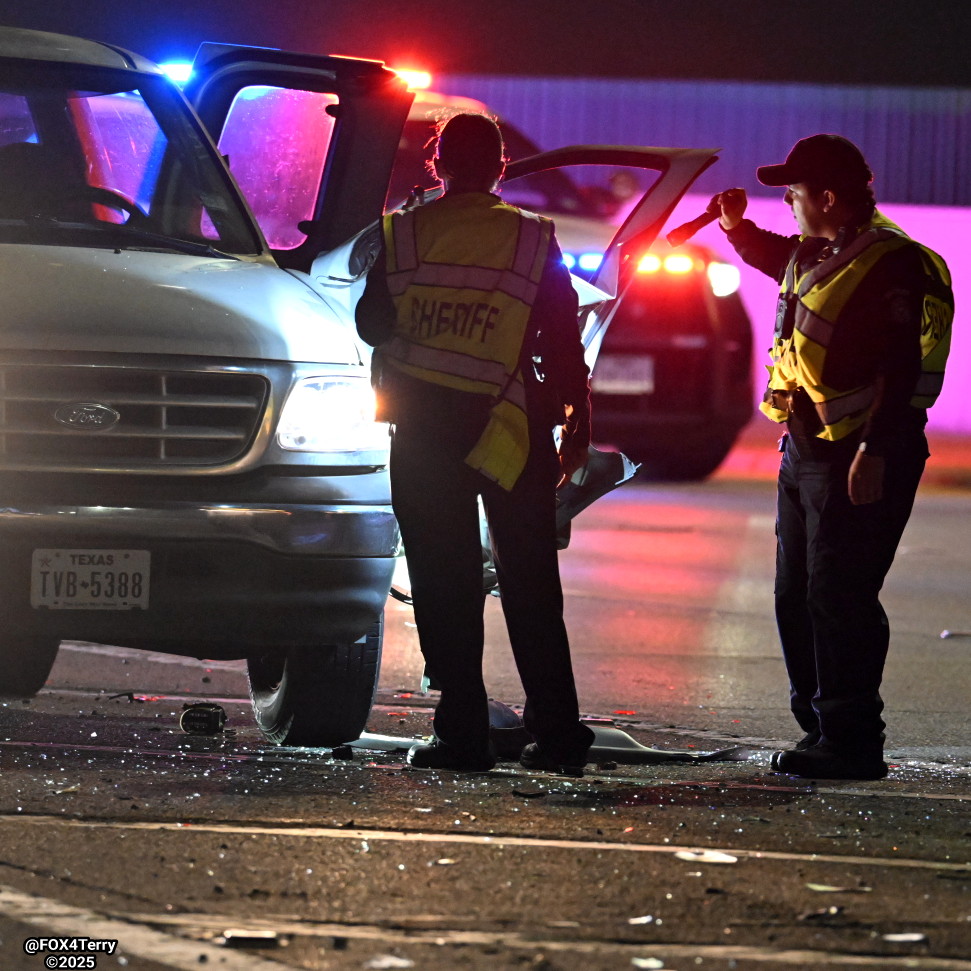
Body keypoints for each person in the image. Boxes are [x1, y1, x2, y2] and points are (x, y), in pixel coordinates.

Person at [356, 112, 595, 775]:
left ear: (437, 166)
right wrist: (580, 418)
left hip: (426, 432)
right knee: (531, 585)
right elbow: (559, 336)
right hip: (511, 430)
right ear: (499, 167)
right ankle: (556, 733)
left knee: (444, 581)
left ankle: (460, 732)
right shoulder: (531, 237)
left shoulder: (403, 233)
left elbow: (371, 323)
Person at [711, 134, 953, 780]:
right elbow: (778, 260)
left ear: (825, 197)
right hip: (805, 453)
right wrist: (736, 230)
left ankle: (851, 739)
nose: (785, 199)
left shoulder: (887, 263)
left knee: (838, 593)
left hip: (860, 454)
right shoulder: (817, 251)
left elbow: (900, 364)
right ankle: (820, 726)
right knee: (796, 592)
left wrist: (873, 448)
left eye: (792, 190)